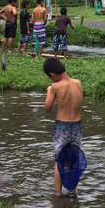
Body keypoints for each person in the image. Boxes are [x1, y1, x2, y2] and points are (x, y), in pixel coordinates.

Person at [43, 57, 84, 197]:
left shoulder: (55, 87)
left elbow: (47, 107)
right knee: (73, 159)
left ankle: (58, 193)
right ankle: (72, 192)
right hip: (77, 127)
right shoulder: (78, 83)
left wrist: (49, 91)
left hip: (62, 127)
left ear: (51, 75)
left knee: (59, 160)